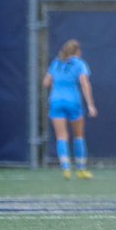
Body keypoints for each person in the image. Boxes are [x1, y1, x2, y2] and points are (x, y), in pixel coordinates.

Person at [43, 39, 98, 179]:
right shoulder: (80, 64)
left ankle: (66, 169)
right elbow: (85, 83)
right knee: (78, 135)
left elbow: (46, 82)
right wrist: (91, 105)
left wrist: (58, 86)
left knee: (61, 136)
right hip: (73, 102)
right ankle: (81, 169)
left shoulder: (56, 63)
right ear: (78, 51)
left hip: (56, 101)